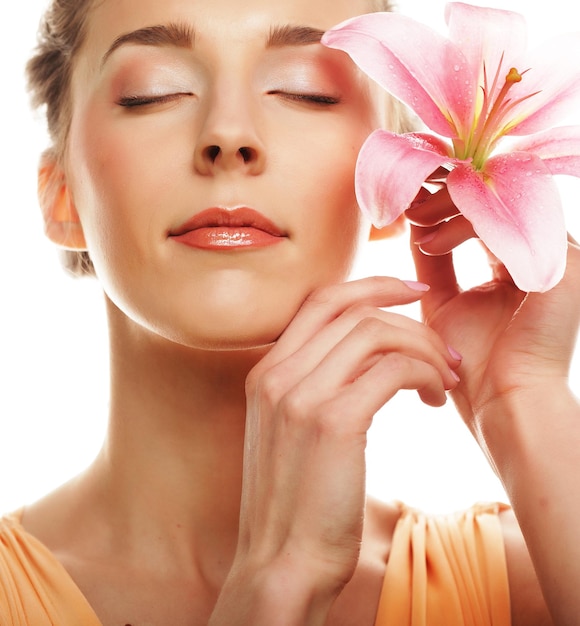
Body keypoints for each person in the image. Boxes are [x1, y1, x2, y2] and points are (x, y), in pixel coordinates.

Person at [0, 0, 579, 624]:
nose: (229, 135)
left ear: (393, 175)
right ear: (61, 196)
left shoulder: (531, 584)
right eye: (153, 93)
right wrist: (276, 585)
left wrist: (525, 402)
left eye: (307, 92)